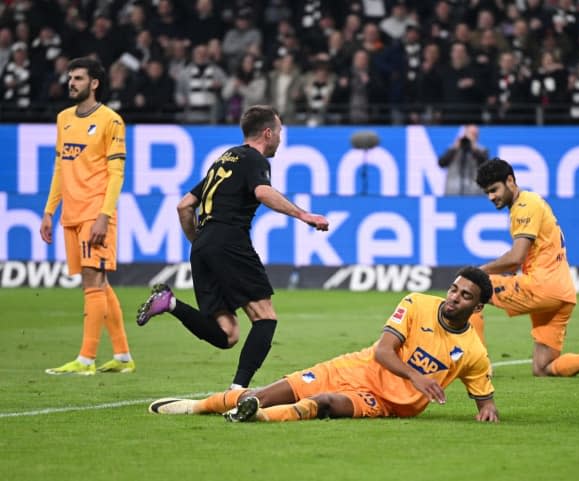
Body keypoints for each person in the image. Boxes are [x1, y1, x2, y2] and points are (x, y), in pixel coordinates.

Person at [135, 105, 330, 390]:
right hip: (229, 241)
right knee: (265, 317)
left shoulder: (224, 160)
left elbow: (184, 205)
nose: (280, 139)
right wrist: (304, 215)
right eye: (279, 132)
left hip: (203, 245)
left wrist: (200, 243)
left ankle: (171, 303)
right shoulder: (254, 159)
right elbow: (262, 192)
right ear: (267, 133)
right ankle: (237, 390)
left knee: (227, 334)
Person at [148, 267, 499, 424]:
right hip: (355, 367)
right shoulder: (418, 303)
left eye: (465, 296)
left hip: (385, 402)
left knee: (323, 404)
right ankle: (197, 407)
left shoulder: (473, 351)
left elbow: (484, 398)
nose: (453, 297)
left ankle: (257, 418)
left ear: (478, 307)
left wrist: (487, 410)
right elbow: (382, 351)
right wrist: (418, 378)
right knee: (273, 391)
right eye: (454, 288)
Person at [472, 158, 579, 379]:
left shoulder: (525, 205)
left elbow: (515, 258)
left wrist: (480, 271)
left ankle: (479, 366)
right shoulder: (531, 203)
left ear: (510, 180)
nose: (491, 197)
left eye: (494, 190)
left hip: (542, 287)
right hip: (562, 293)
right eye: (487, 193)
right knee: (543, 368)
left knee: (472, 285)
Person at [40, 57, 134, 375]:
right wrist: (49, 210)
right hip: (72, 213)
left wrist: (104, 215)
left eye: (78, 78)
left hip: (96, 212)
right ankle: (122, 357)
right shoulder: (64, 118)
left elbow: (116, 172)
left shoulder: (111, 121)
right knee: (97, 283)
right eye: (70, 78)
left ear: (94, 83)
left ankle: (85, 360)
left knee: (93, 281)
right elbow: (59, 167)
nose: (71, 83)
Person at [437, 124, 489, 195]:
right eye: (470, 133)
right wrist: (455, 147)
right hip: (453, 191)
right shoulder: (453, 148)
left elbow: (485, 164)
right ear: (464, 134)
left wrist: (473, 147)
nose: (471, 136)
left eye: (474, 134)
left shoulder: (482, 150)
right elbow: (441, 163)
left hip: (474, 192)